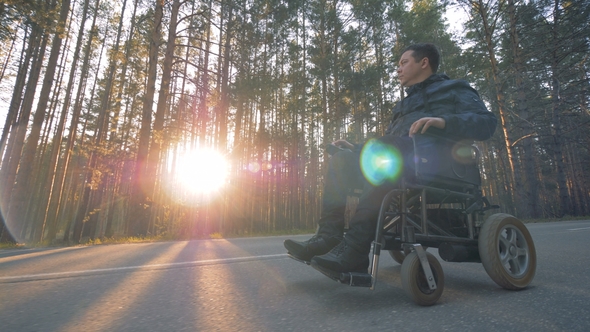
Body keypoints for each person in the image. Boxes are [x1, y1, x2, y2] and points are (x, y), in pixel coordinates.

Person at [284, 43, 497, 277]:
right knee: (341, 159)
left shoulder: (454, 89)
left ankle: (355, 249)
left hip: (438, 165)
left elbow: (486, 123)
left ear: (423, 62)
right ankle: (328, 237)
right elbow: (392, 141)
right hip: (398, 163)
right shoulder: (403, 105)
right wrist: (356, 149)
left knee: (384, 149)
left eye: (404, 63)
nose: (398, 69)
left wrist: (443, 121)